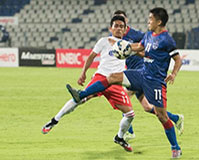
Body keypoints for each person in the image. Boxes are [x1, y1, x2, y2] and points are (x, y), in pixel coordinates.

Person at [66, 8, 183, 158]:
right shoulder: (148, 35)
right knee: (112, 77)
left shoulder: (166, 40)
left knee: (161, 116)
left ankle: (175, 147)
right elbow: (139, 47)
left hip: (155, 81)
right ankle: (81, 94)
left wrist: (173, 74)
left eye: (150, 19)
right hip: (141, 74)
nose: (148, 21)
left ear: (159, 22)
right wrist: (123, 47)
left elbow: (178, 59)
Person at [42, 16, 135, 152]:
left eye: (122, 26)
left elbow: (141, 53)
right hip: (100, 77)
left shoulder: (127, 46)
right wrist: (83, 73)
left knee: (130, 114)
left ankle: (119, 137)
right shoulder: (103, 41)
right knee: (80, 99)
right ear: (111, 28)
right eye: (116, 25)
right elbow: (91, 56)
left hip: (116, 82)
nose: (119, 28)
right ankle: (54, 120)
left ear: (126, 29)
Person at [113, 10, 184, 141]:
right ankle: (175, 118)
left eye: (122, 21)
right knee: (147, 107)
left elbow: (148, 51)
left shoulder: (138, 34)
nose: (119, 25)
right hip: (135, 71)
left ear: (126, 21)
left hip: (143, 71)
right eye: (116, 23)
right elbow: (134, 49)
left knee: (124, 96)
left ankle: (128, 132)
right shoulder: (119, 37)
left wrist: (130, 51)